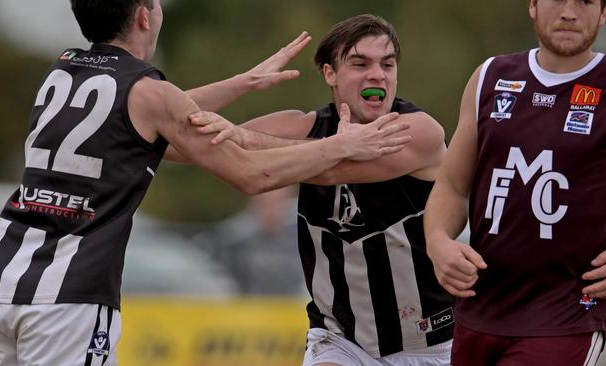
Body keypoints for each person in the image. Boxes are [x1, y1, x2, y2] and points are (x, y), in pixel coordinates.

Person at [0, 1, 411, 365]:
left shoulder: (64, 70)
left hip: (4, 289)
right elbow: (251, 173)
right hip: (68, 301)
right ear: (145, 16)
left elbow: (145, 112)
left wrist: (244, 83)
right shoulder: (147, 91)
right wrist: (341, 146)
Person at [192, 14, 453, 366]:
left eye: (387, 64)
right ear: (330, 74)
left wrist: (243, 139)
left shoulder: (417, 131)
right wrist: (243, 83)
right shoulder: (305, 128)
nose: (377, 74)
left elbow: (333, 168)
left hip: (429, 343)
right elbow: (177, 140)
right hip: (340, 340)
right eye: (360, 63)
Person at [424, 0, 606, 364]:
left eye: (585, 1)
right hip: (480, 305)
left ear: (603, 13)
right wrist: (437, 241)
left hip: (568, 314)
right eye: (557, 0)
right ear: (533, 6)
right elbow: (453, 186)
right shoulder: (490, 76)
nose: (569, 12)